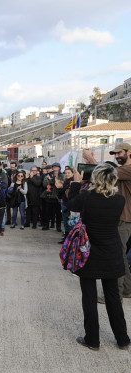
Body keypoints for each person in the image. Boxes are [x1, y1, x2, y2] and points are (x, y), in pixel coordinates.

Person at [67, 164, 130, 351]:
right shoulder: (119, 200)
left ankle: (92, 339)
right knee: (113, 298)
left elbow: (71, 204)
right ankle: (123, 338)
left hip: (89, 254)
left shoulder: (86, 197)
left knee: (89, 297)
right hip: (112, 253)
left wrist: (76, 184)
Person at [84, 145, 131, 300]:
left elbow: (105, 172)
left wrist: (90, 158)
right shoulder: (122, 170)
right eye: (115, 153)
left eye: (120, 152)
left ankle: (114, 294)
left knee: (117, 256)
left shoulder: (128, 169)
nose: (117, 155)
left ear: (129, 152)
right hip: (122, 218)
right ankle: (126, 289)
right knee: (121, 256)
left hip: (124, 219)